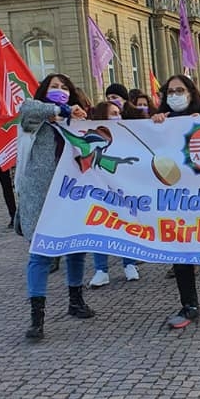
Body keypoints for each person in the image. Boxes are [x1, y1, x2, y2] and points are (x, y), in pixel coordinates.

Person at [17, 73, 95, 340]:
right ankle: (37, 317)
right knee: (40, 255)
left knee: (76, 249)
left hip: (71, 195)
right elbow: (27, 108)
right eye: (54, 87)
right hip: (41, 197)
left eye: (64, 88)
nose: (60, 91)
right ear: (44, 91)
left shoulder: (74, 123)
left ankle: (76, 300)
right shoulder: (35, 120)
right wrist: (59, 108)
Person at [152, 75, 200, 328]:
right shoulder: (161, 121)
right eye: (170, 91)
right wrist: (156, 125)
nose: (174, 95)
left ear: (191, 93)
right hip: (175, 199)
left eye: (180, 90)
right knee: (179, 250)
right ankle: (189, 305)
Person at [86, 100, 141, 286]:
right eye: (112, 113)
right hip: (100, 190)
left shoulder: (125, 135)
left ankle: (129, 264)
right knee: (100, 228)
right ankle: (101, 270)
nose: (117, 116)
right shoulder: (94, 140)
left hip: (122, 191)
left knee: (126, 225)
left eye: (118, 113)